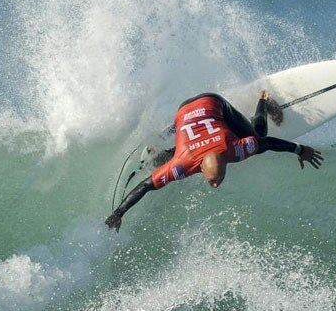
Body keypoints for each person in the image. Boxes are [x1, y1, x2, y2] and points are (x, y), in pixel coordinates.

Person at [104, 91, 323, 230]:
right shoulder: (183, 166)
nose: (217, 184)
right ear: (199, 168)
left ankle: (262, 101)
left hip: (206, 107)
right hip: (196, 106)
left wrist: (299, 149)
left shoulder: (235, 150)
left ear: (227, 162)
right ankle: (263, 98)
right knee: (178, 157)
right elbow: (145, 186)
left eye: (218, 179)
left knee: (258, 136)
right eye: (213, 180)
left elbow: (266, 143)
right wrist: (118, 213)